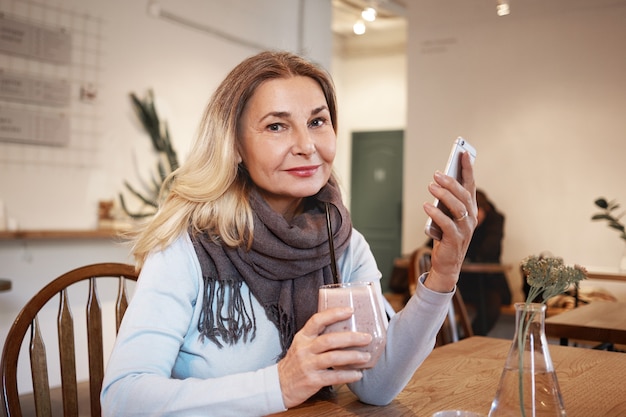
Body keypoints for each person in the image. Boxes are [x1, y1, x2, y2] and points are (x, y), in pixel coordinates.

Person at [101, 50, 477, 416]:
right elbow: (123, 399)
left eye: (317, 121)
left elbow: (375, 386)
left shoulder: (342, 243)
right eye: (276, 126)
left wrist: (443, 275)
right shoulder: (188, 246)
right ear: (234, 146)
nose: (306, 146)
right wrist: (279, 384)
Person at [458, 189, 510, 335]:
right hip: (466, 281)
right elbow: (431, 246)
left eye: (476, 210)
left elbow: (488, 250)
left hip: (490, 282)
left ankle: (468, 339)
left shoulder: (495, 220)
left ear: (485, 209)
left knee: (491, 305)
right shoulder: (460, 220)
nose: (474, 216)